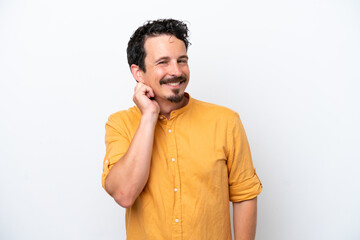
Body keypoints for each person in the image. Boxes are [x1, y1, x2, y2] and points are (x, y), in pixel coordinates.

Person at [102, 19, 262, 240]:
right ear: (138, 73)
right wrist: (149, 116)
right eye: (163, 62)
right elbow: (124, 194)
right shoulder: (120, 124)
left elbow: (244, 196)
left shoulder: (226, 121)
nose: (176, 71)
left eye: (182, 60)